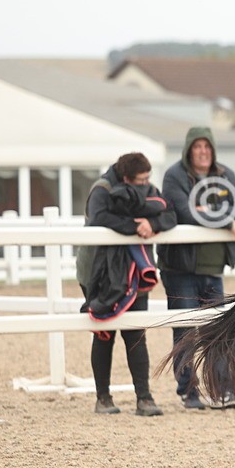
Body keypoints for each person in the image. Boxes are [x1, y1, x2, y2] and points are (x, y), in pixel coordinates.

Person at [158, 126, 235, 409]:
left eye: (207, 147)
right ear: (189, 149)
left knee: (217, 329)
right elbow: (185, 212)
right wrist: (226, 219)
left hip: (212, 267)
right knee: (185, 331)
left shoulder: (225, 175)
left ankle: (223, 390)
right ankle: (188, 391)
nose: (203, 152)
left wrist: (209, 212)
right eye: (198, 147)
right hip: (180, 268)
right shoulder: (174, 176)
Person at [76, 152, 176, 416]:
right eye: (141, 180)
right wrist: (134, 225)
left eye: (147, 179)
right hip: (98, 272)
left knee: (135, 334)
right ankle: (103, 397)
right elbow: (100, 218)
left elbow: (170, 214)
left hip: (134, 271)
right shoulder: (102, 190)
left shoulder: (148, 189)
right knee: (104, 332)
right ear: (126, 178)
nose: (146, 184)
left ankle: (144, 398)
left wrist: (152, 223)